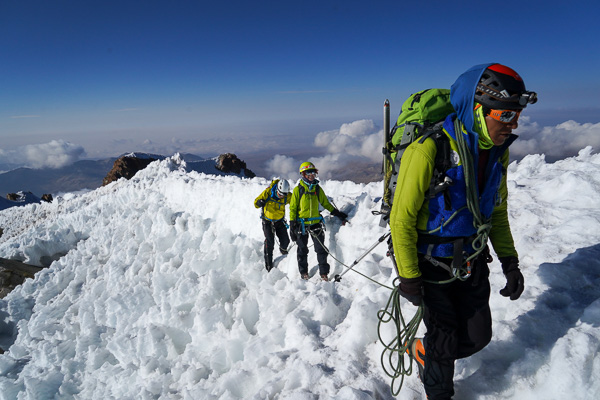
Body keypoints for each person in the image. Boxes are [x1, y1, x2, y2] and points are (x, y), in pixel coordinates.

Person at [389, 63, 536, 399]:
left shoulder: (498, 154)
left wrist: (509, 262)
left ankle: (426, 351)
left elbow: (496, 212)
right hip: (430, 265)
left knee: (476, 337)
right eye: (505, 115)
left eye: (516, 116)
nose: (512, 124)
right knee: (444, 338)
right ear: (477, 109)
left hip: (470, 260)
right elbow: (401, 220)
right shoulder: (429, 149)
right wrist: (410, 277)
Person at [289, 162, 347, 281]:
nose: (311, 175)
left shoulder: (317, 189)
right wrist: (292, 224)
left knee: (321, 249)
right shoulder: (298, 190)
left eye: (313, 172)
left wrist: (337, 213)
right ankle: (304, 272)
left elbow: (325, 203)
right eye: (308, 172)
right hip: (302, 224)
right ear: (303, 174)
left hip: (315, 223)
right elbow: (293, 208)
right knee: (302, 250)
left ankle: (324, 273)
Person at [254, 179, 291, 272]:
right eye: (280, 194)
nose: (282, 196)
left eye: (284, 194)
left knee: (285, 240)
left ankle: (283, 250)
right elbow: (256, 203)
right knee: (269, 243)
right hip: (267, 222)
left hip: (279, 221)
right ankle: (268, 266)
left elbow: (296, 201)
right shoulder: (268, 192)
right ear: (277, 190)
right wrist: (259, 202)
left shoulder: (287, 196)